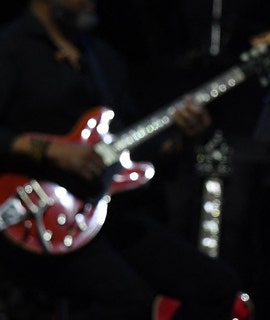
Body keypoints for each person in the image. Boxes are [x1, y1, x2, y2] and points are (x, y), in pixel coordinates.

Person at [0, 0, 251, 319]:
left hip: (102, 212)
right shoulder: (10, 49)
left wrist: (181, 137)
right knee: (137, 305)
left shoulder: (101, 58)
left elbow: (134, 152)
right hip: (28, 219)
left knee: (217, 286)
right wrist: (50, 151)